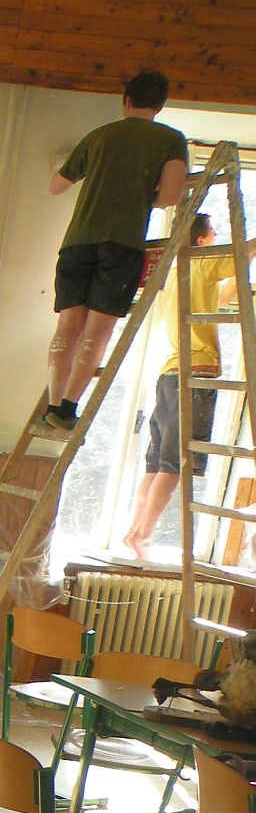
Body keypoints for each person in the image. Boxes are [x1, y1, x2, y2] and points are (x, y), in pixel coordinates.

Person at [39, 69, 189, 432]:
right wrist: (142, 197)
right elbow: (171, 196)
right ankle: (67, 409)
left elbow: (56, 187)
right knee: (97, 331)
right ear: (160, 106)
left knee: (67, 327)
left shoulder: (98, 136)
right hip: (122, 243)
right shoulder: (170, 139)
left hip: (77, 242)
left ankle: (53, 404)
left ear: (126, 100)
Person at [120, 212, 242, 558]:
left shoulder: (174, 275)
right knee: (176, 466)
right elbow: (242, 251)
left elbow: (222, 296)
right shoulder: (202, 261)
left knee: (157, 462)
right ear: (202, 241)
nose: (216, 238)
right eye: (214, 234)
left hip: (169, 375)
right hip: (194, 373)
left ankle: (134, 530)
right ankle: (143, 535)